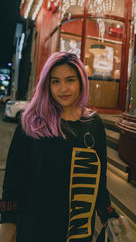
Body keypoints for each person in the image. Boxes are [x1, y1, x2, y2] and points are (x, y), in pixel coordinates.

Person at [0, 52, 118, 242]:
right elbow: (13, 181)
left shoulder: (94, 123)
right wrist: (7, 224)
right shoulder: (31, 123)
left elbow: (99, 183)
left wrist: (109, 216)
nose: (63, 88)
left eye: (70, 80)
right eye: (55, 81)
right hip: (35, 230)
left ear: (81, 81)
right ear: (47, 85)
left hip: (78, 233)